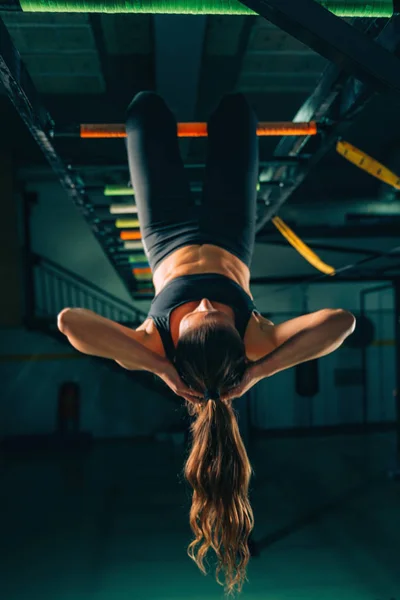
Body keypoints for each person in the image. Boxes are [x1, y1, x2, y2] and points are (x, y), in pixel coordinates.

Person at [58, 91, 356, 597]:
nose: (203, 305)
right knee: (238, 110)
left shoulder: (155, 346)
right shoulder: (255, 340)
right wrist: (261, 371)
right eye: (215, 311)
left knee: (145, 109)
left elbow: (70, 322)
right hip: (230, 232)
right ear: (238, 336)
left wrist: (157, 369)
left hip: (165, 233)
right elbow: (341, 323)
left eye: (197, 315)